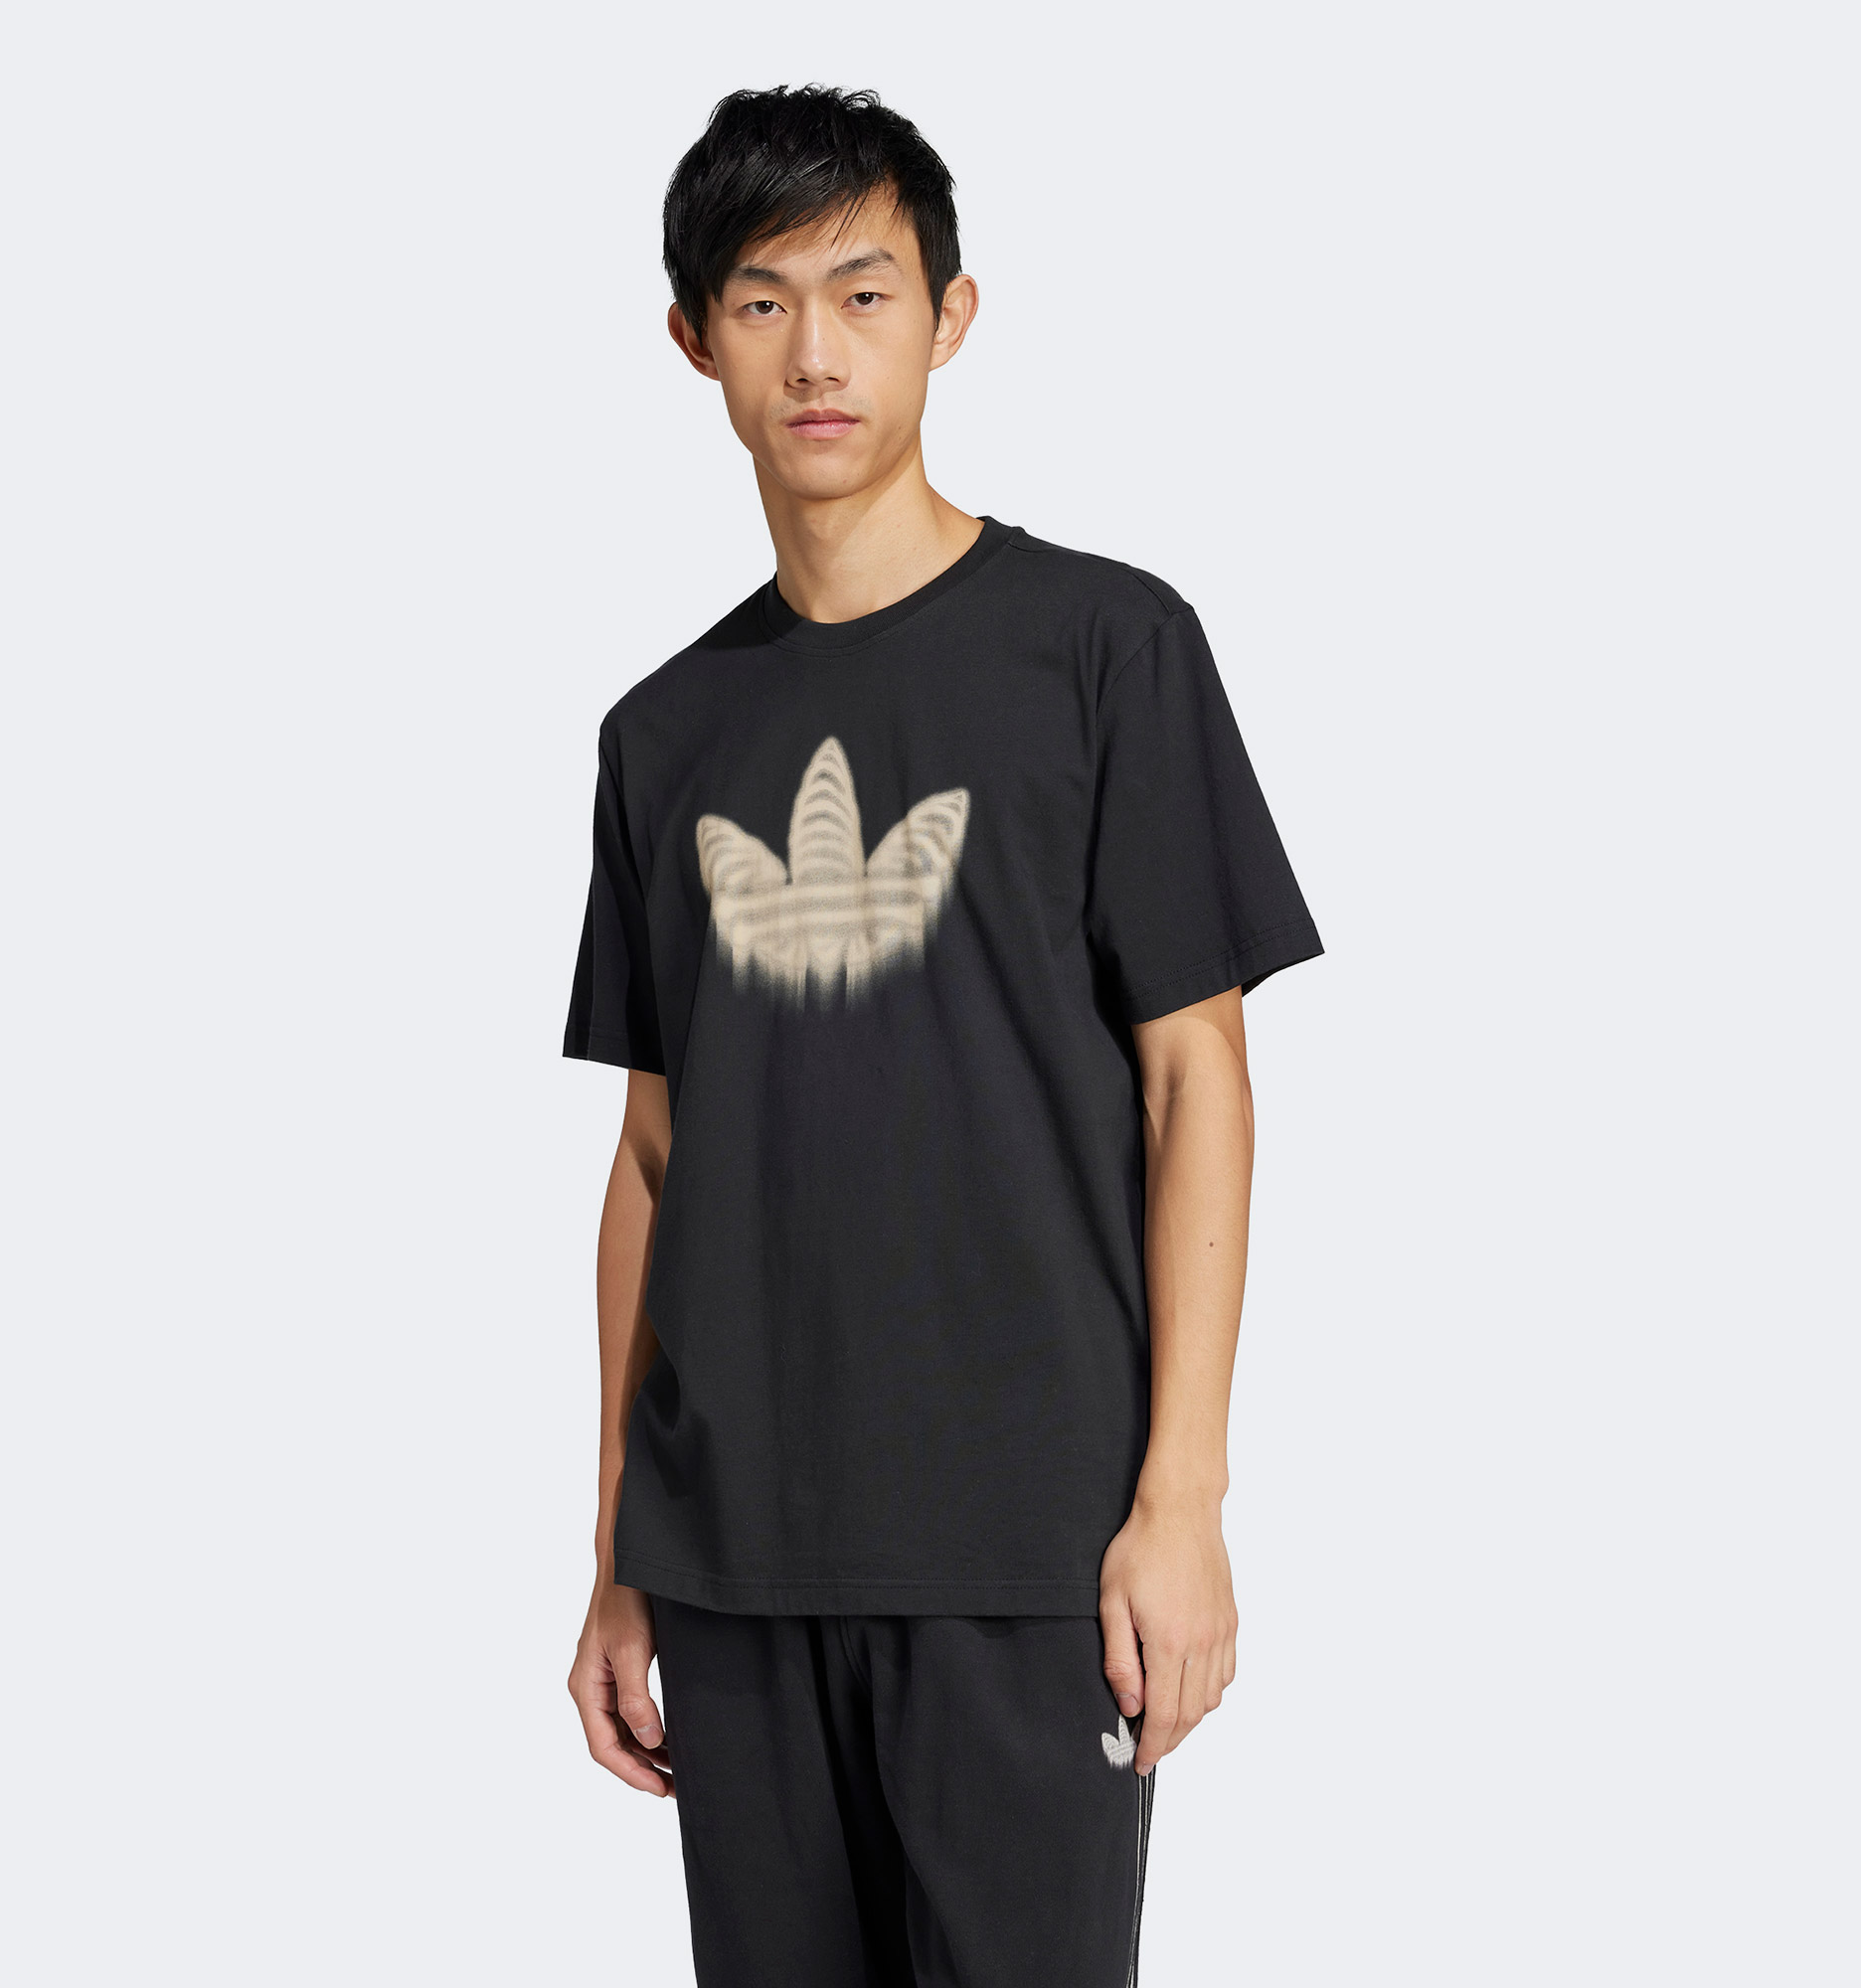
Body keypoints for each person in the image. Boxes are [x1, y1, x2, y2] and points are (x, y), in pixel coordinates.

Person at [563, 83, 1320, 1988]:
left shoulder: (1107, 649)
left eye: (864, 292)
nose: (815, 353)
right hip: (733, 1564)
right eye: (761, 302)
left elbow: (1198, 1078)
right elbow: (653, 1154)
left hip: (1026, 1552)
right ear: (695, 341)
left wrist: (1183, 1500)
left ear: (949, 317)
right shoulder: (662, 733)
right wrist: (619, 1551)